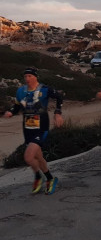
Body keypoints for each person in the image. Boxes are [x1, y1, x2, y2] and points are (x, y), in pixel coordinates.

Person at [3, 67, 63, 195]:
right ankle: (50, 179)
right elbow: (17, 106)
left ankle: (37, 176)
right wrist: (11, 112)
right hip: (28, 128)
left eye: (30, 76)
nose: (27, 79)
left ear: (35, 77)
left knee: (28, 157)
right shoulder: (21, 91)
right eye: (25, 77)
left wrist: (58, 113)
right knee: (38, 157)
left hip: (41, 128)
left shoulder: (44, 89)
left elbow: (59, 97)